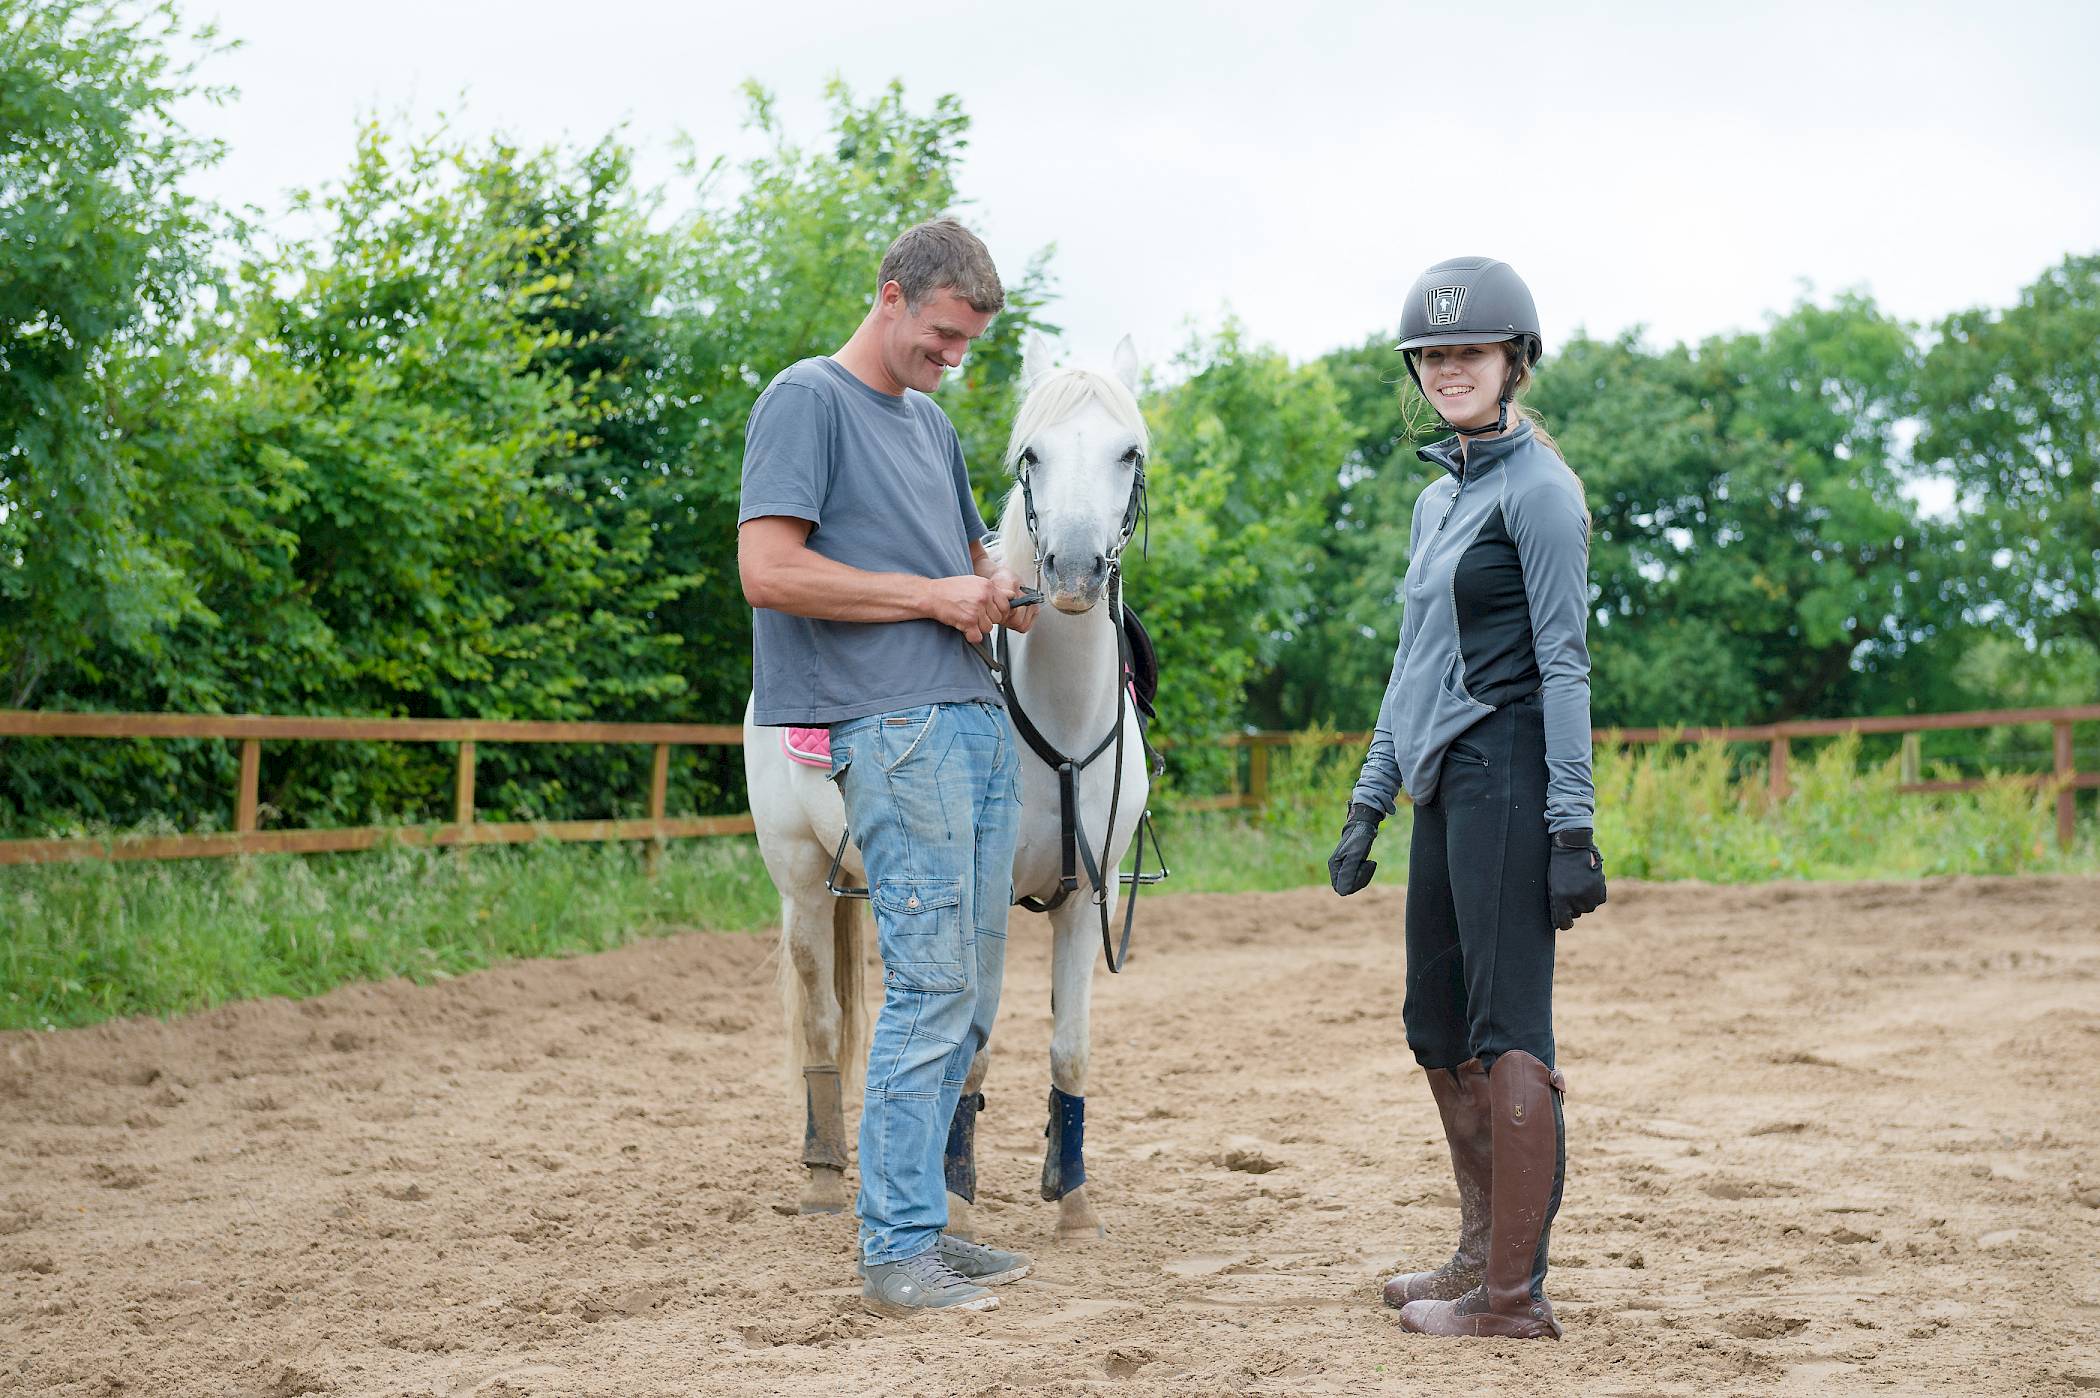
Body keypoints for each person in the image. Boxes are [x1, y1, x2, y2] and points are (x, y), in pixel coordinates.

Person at [738, 217, 1041, 1317]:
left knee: (973, 986)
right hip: (889, 726)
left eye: (967, 345)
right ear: (892, 294)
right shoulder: (806, 400)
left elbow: (966, 559)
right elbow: (767, 570)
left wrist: (998, 586)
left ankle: (920, 1222)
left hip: (972, 717)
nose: (951, 358)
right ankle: (896, 1245)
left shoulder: (931, 427)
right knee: (928, 983)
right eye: (943, 336)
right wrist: (931, 599)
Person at [1328, 256, 1608, 1341]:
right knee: (1435, 1026)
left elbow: (1567, 662)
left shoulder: (1540, 492)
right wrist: (1371, 797)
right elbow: (1415, 658)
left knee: (1506, 1034)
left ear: (1513, 362)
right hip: (1445, 780)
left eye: (1470, 352)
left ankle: (1511, 1296)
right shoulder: (1438, 497)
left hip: (1515, 772)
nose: (1451, 368)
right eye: (1435, 354)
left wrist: (1572, 823)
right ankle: (1473, 1250)